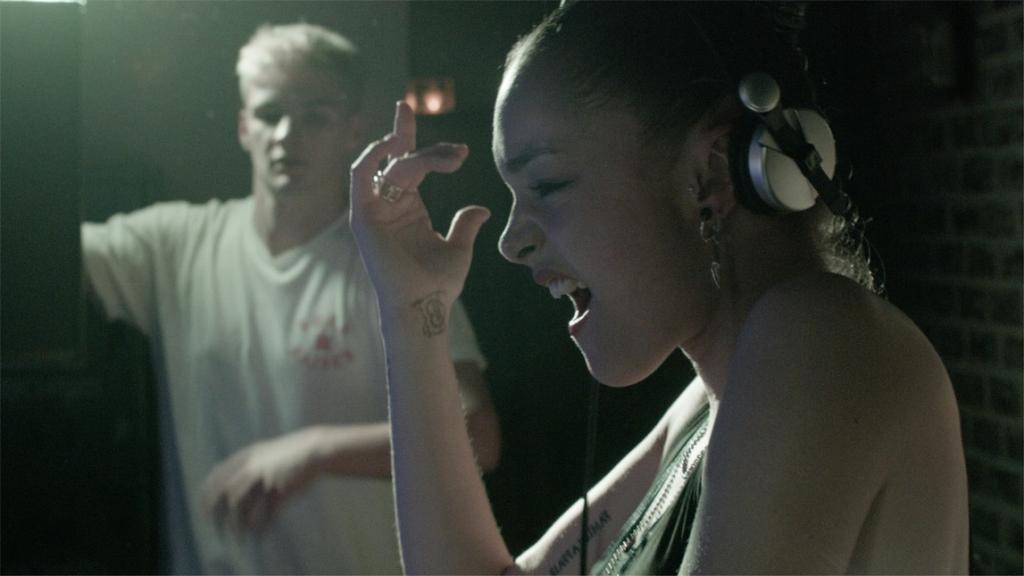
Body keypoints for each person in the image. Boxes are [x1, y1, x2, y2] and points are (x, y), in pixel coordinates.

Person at [347, 2, 968, 574]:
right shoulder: (707, 406)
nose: (512, 241)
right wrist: (413, 307)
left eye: (548, 184)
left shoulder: (816, 337)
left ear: (712, 171)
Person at [81, 22, 499, 574]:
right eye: (269, 112)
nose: (286, 134)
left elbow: (479, 435)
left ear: (352, 130)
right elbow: (33, 259)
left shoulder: (386, 265)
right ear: (243, 126)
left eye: (314, 116)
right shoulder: (172, 246)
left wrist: (316, 450)